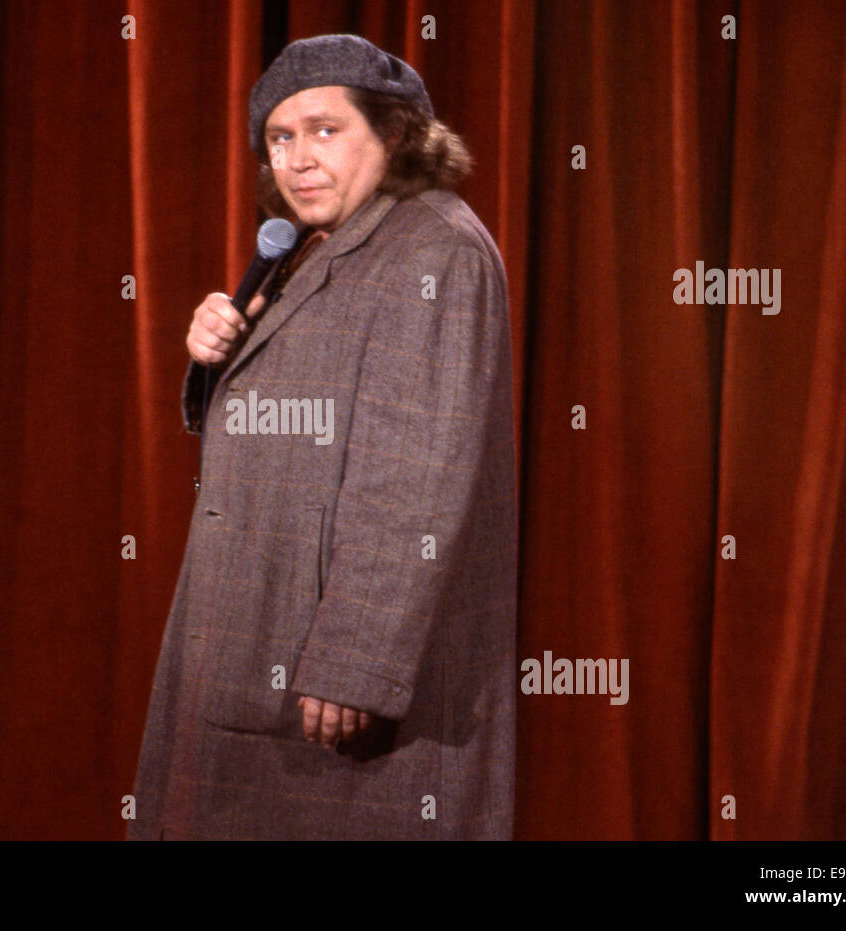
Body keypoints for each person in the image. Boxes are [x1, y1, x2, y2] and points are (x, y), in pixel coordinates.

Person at [127, 33, 516, 840]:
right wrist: (220, 363)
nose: (299, 156)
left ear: (397, 134)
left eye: (325, 129)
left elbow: (413, 474)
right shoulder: (328, 250)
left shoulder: (433, 247)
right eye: (280, 136)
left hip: (327, 685)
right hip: (261, 649)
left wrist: (356, 662)